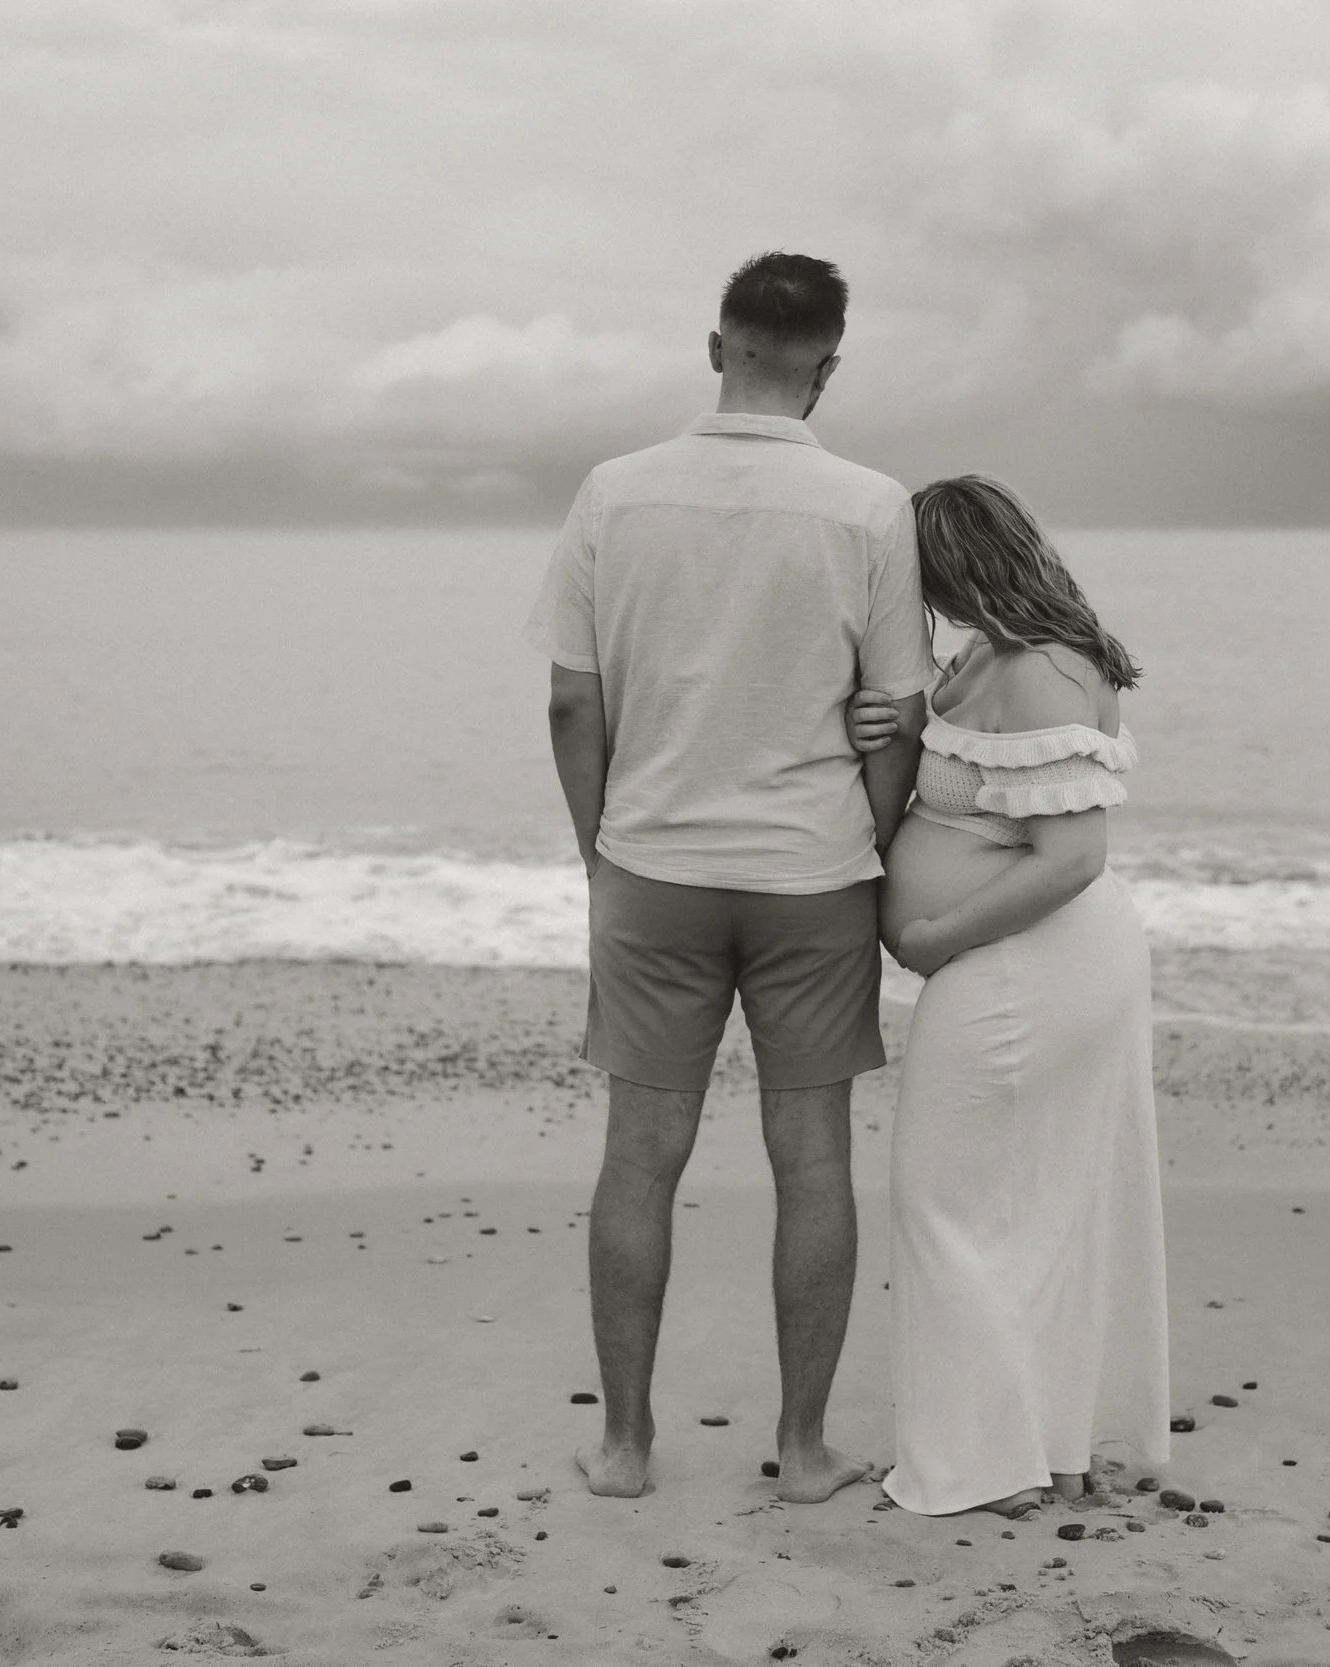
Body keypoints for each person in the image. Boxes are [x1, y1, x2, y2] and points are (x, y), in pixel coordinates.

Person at [525, 251, 937, 1502]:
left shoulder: (614, 492)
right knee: (811, 1157)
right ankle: (805, 1450)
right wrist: (865, 836)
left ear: (717, 349)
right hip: (812, 873)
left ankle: (626, 1447)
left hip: (653, 866)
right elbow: (900, 712)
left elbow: (566, 701)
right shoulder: (871, 507)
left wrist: (602, 852)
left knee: (638, 1157)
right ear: (828, 366)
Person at [845, 475, 1170, 1517]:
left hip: (1037, 963)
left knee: (944, 1198)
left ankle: (983, 1461)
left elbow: (1072, 855)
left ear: (955, 565)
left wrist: (933, 934)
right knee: (1024, 1204)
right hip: (1021, 960)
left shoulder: (1040, 669)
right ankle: (1041, 1448)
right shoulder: (984, 652)